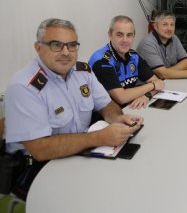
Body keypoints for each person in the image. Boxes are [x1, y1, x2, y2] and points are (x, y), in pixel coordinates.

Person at [4, 18, 143, 199]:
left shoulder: (83, 71)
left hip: (83, 151)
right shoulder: (23, 87)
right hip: (39, 167)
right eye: (56, 45)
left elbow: (106, 105)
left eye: (71, 45)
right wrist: (99, 137)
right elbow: (40, 149)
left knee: (122, 188)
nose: (65, 52)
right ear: (38, 47)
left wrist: (118, 117)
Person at [89, 15, 164, 109]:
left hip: (131, 108)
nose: (125, 40)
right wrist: (152, 85)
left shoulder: (134, 56)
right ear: (110, 35)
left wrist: (147, 96)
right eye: (119, 35)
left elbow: (159, 83)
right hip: (106, 116)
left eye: (129, 35)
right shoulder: (102, 61)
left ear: (134, 36)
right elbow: (122, 97)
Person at [136, 11, 187, 80]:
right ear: (155, 26)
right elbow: (162, 74)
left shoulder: (174, 38)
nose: (169, 28)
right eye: (165, 24)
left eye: (172, 25)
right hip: (147, 86)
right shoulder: (147, 43)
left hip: (167, 81)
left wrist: (167, 72)